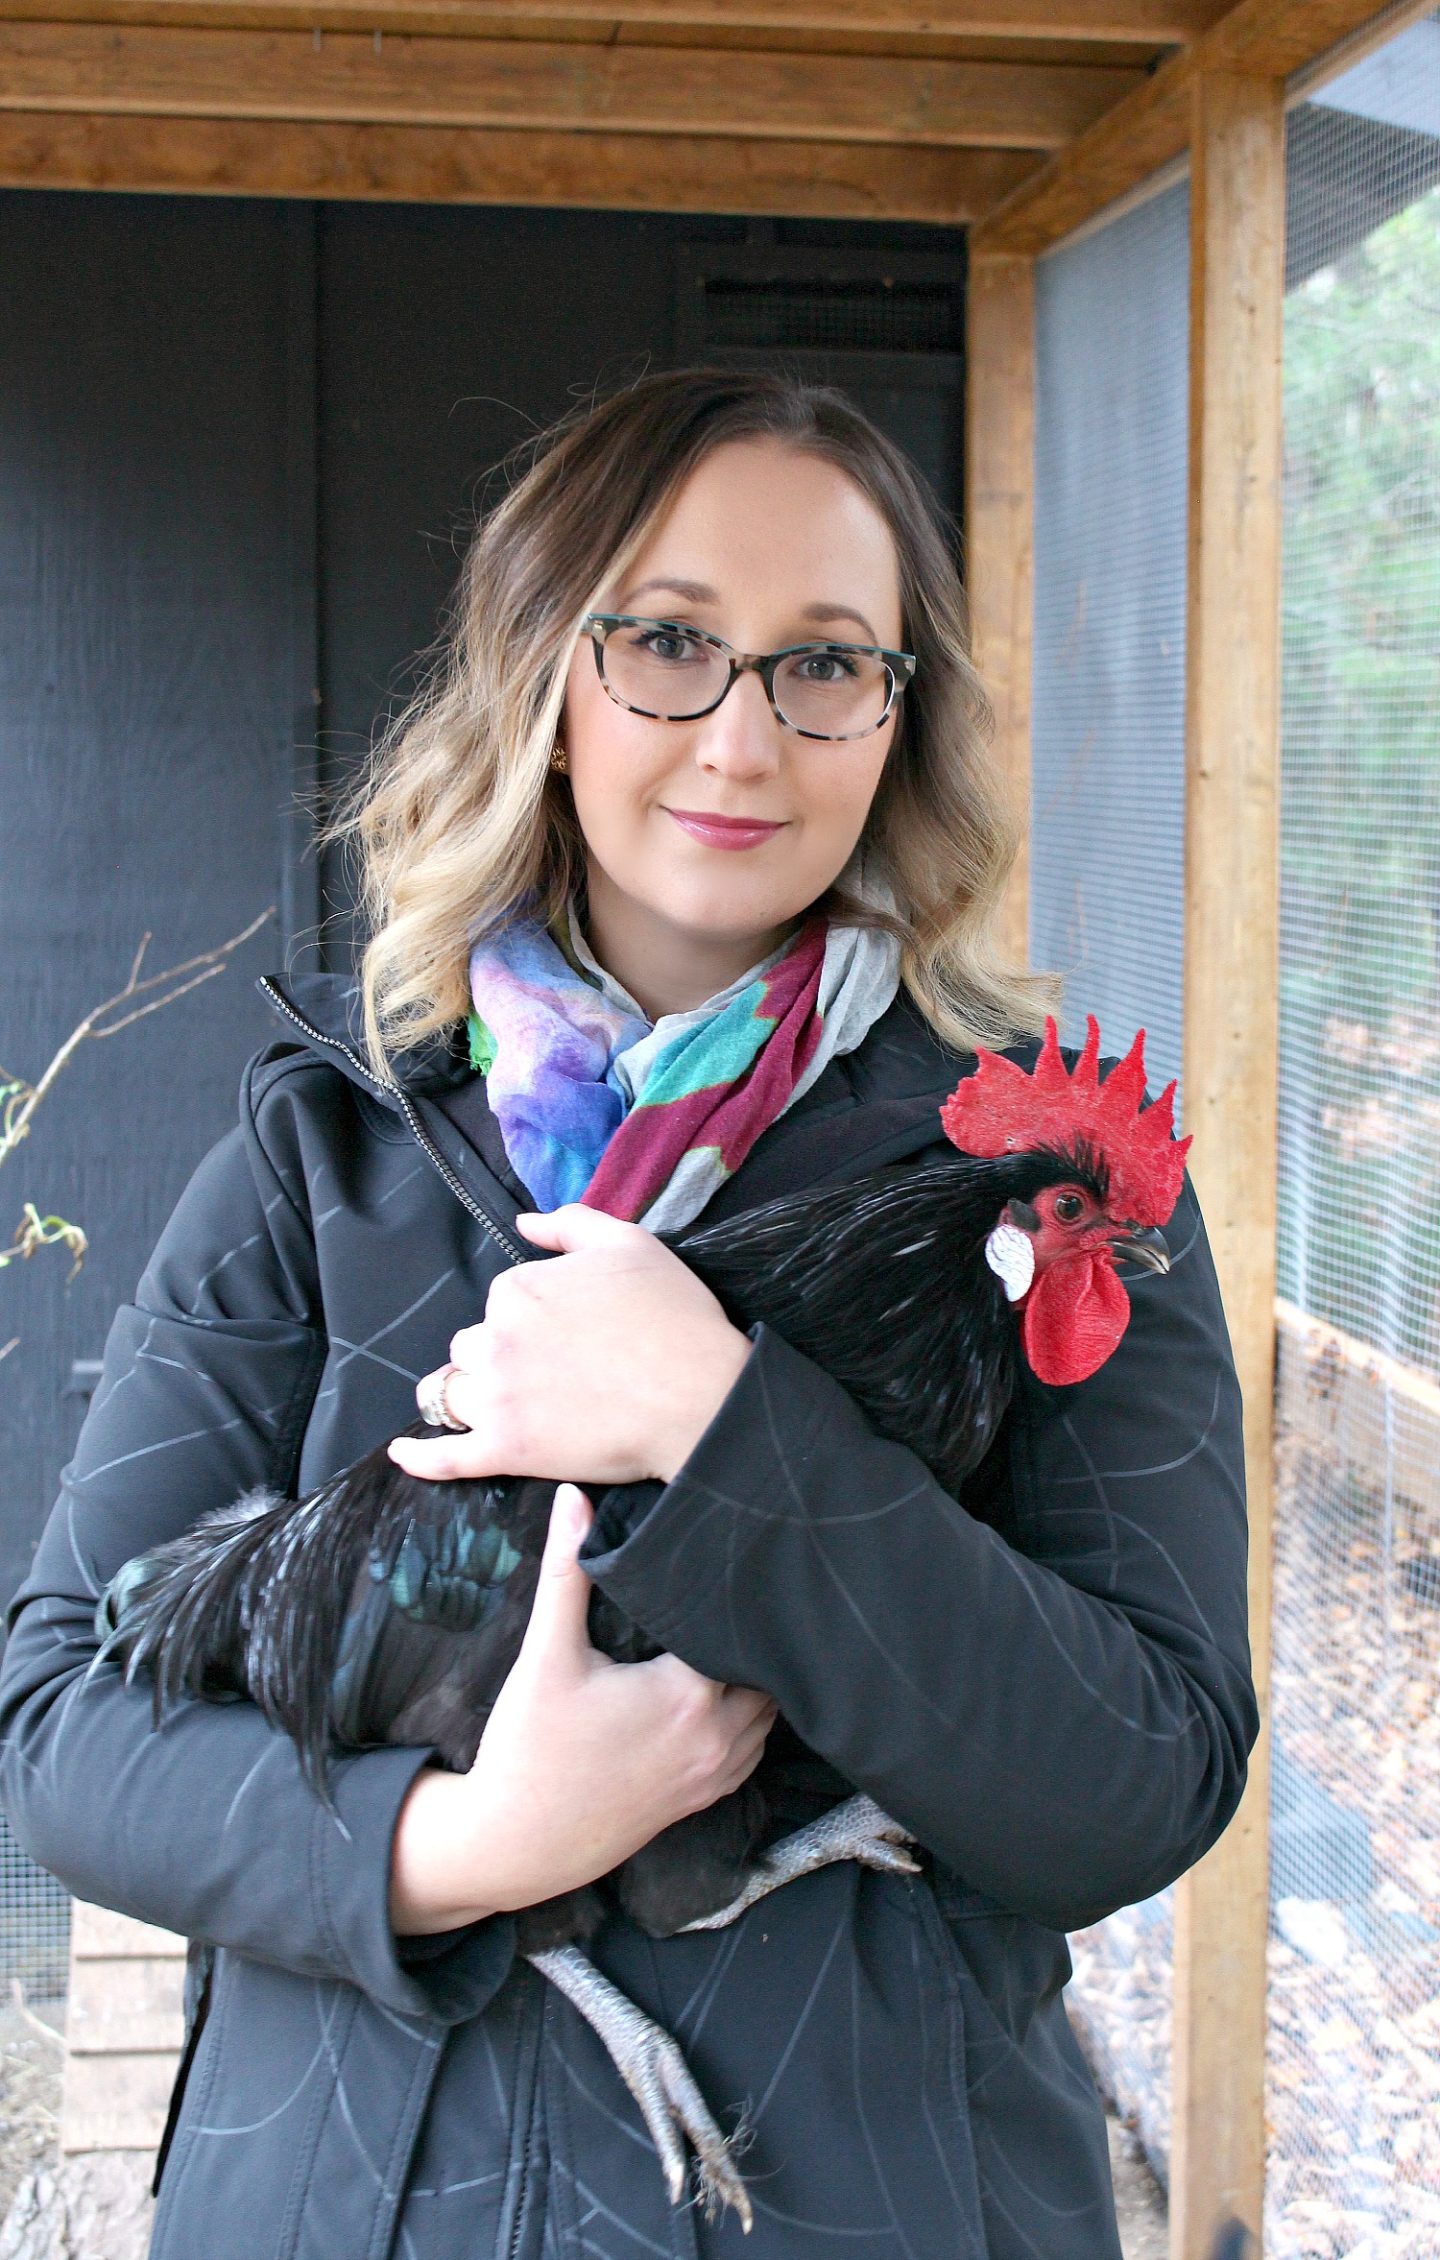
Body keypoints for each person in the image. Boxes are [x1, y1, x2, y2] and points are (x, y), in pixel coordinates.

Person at [0, 369, 1255, 2260]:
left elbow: (1140, 1785)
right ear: (546, 673)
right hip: (358, 2206)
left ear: (898, 715)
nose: (742, 740)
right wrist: (470, 1847)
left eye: (823, 662)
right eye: (668, 641)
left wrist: (727, 1429)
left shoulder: (1033, 1185)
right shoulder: (322, 1149)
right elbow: (59, 1730)